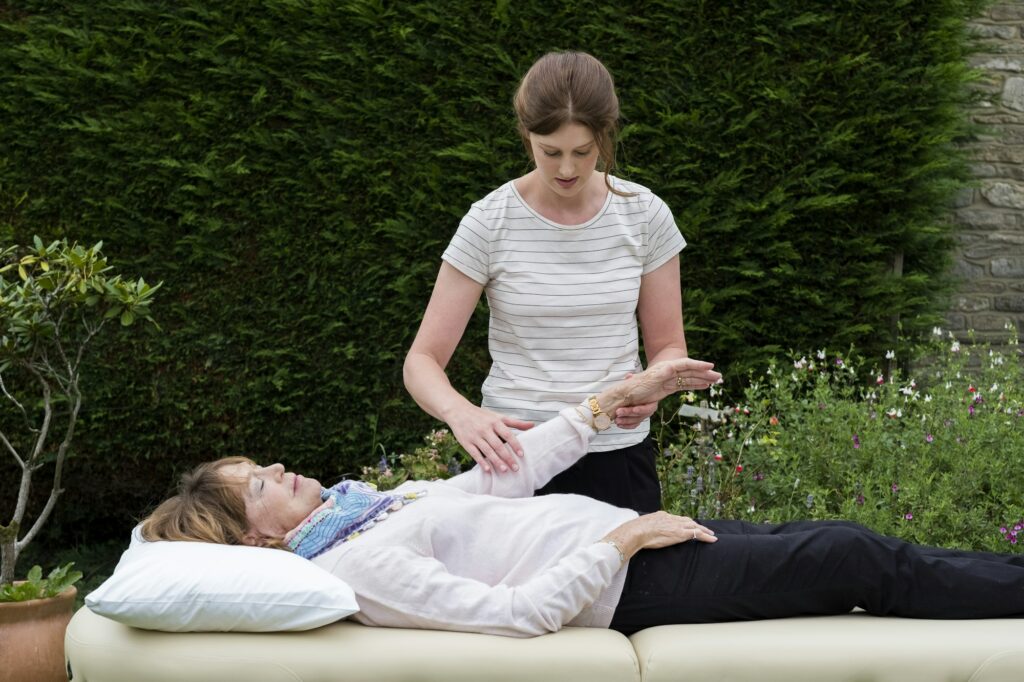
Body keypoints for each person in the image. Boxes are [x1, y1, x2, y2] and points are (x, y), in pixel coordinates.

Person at [142, 357, 1024, 638]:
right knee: (852, 555)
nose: (284, 473)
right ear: (254, 543)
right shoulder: (361, 563)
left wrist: (607, 403)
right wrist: (622, 548)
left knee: (854, 548)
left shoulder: (369, 508)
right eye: (260, 485)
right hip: (631, 579)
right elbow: (512, 615)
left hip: (636, 542)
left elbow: (501, 474)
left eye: (264, 464)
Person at [403, 50, 690, 513]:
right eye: (550, 152)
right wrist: (463, 415)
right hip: (517, 458)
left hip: (619, 455)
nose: (567, 170)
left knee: (635, 585)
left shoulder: (644, 214)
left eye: (583, 151)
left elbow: (669, 347)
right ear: (526, 135)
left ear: (605, 135)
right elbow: (421, 360)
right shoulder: (488, 221)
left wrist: (654, 388)